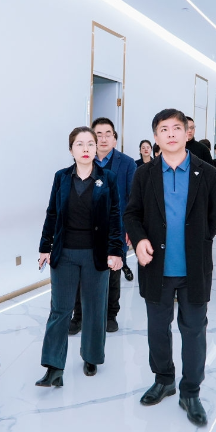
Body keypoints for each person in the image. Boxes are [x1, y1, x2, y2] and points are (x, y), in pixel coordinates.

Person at [124, 108, 216, 426]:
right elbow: (131, 214)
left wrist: (200, 240)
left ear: (186, 133)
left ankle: (190, 391)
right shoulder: (145, 174)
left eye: (176, 128)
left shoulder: (207, 173)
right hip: (156, 267)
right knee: (158, 328)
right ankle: (164, 379)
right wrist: (140, 239)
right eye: (163, 129)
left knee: (194, 331)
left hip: (194, 268)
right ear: (156, 137)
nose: (170, 133)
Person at [37, 127, 123, 386]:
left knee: (95, 308)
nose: (85, 149)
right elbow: (52, 213)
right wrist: (45, 246)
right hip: (64, 254)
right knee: (60, 310)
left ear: (96, 148)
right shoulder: (61, 177)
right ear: (71, 149)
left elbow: (115, 216)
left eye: (90, 144)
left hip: (96, 255)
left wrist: (116, 251)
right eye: (79, 144)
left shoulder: (107, 178)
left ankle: (91, 356)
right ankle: (54, 367)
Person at [69, 117, 137, 334]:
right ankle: (79, 316)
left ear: (115, 139)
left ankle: (110, 315)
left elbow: (133, 199)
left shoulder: (127, 164)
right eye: (99, 134)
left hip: (115, 228)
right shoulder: (82, 161)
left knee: (112, 273)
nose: (104, 138)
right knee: (81, 274)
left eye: (109, 134)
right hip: (84, 230)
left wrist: (130, 228)